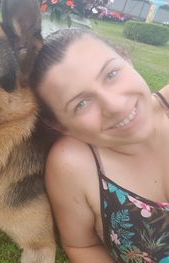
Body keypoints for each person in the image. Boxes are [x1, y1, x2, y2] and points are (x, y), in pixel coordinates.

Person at [30, 29, 169, 263]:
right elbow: (81, 244)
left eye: (112, 73)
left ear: (126, 58)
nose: (114, 105)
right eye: (81, 103)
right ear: (59, 124)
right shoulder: (75, 165)